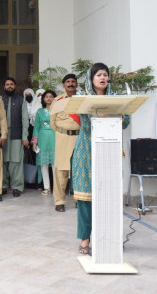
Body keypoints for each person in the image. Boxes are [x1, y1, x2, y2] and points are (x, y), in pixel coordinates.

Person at [72, 62, 130, 255]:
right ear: (91, 79)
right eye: (98, 75)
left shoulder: (116, 99)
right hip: (86, 150)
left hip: (109, 149)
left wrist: (120, 112)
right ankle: (85, 239)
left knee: (108, 196)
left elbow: (125, 121)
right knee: (86, 198)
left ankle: (109, 237)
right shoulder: (82, 99)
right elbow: (86, 125)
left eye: (105, 74)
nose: (103, 78)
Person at [50, 74, 80, 212]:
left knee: (79, 170)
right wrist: (62, 133)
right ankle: (59, 201)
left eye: (73, 81)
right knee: (61, 170)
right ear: (63, 85)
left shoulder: (82, 99)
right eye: (68, 82)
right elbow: (53, 122)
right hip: (63, 137)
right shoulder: (58, 101)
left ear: (77, 84)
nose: (70, 84)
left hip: (80, 138)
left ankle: (79, 200)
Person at [1, 77, 30, 197]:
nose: (9, 86)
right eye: (7, 84)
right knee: (2, 161)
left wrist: (25, 137)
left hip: (17, 135)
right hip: (2, 135)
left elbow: (25, 120)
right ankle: (3, 185)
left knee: (16, 161)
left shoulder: (21, 100)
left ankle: (17, 186)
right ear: (4, 87)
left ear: (15, 86)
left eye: (11, 84)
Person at [32, 89, 57, 195]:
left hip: (55, 138)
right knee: (44, 164)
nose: (49, 98)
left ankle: (57, 188)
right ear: (43, 99)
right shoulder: (39, 112)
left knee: (55, 164)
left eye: (51, 96)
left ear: (54, 98)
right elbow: (36, 128)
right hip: (42, 139)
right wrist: (34, 143)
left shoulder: (58, 111)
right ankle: (47, 187)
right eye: (46, 96)